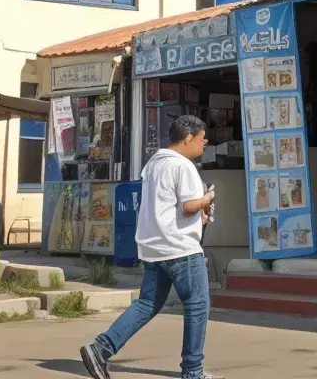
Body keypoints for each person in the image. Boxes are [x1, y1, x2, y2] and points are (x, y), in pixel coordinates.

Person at [81, 115, 219, 379]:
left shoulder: (154, 164)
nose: (204, 143)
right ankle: (192, 371)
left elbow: (169, 208)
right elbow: (188, 206)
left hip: (155, 247)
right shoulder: (183, 166)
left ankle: (100, 348)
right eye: (202, 139)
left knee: (147, 303)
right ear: (188, 138)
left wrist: (199, 218)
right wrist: (207, 199)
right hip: (181, 250)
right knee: (197, 306)